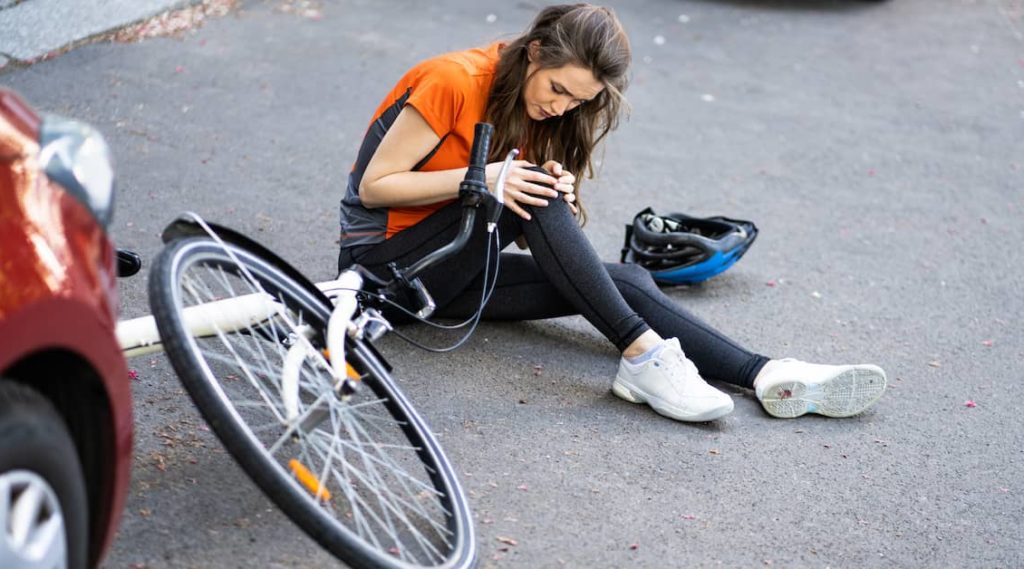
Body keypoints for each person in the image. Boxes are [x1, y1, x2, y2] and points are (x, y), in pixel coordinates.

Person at [337, 4, 886, 422]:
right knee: (525, 194)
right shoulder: (454, 80)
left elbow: (517, 225)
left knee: (625, 278)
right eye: (557, 89)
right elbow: (375, 186)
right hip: (384, 273)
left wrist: (549, 188)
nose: (560, 107)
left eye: (577, 102)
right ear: (532, 51)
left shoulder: (538, 106)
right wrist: (492, 180)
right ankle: (644, 356)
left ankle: (765, 373)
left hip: (452, 277)